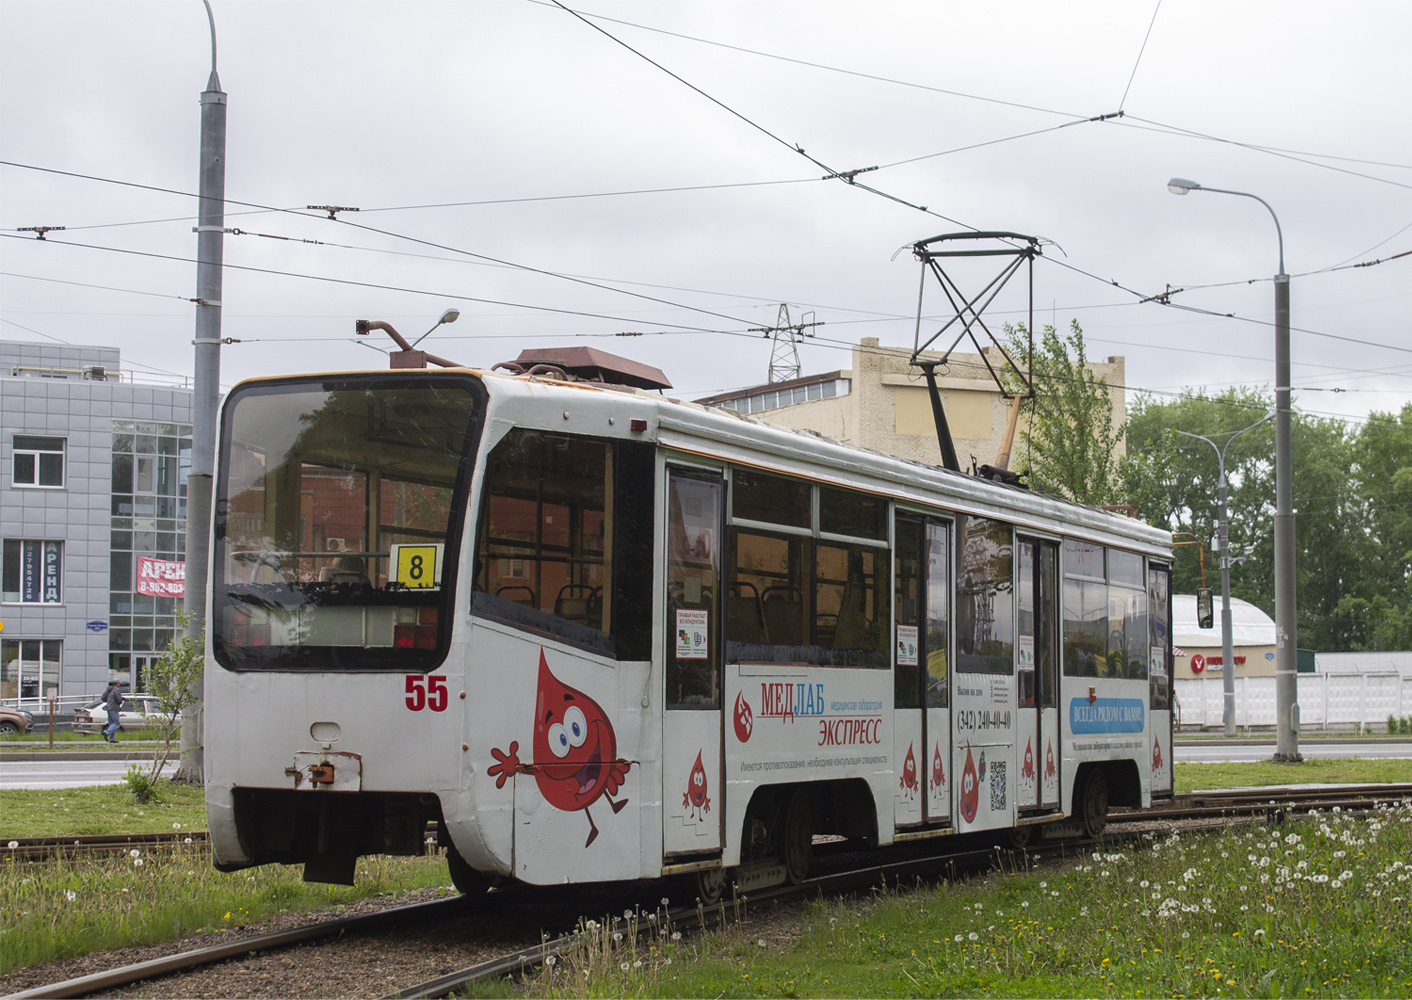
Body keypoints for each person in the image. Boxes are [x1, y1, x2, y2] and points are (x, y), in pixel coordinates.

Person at [101, 679, 125, 743]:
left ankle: (112, 739)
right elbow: (118, 699)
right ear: (117, 684)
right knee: (116, 723)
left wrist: (109, 701)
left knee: (111, 723)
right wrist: (120, 700)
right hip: (114, 708)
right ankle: (107, 732)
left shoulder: (109, 690)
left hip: (108, 707)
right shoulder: (116, 690)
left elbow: (103, 698)